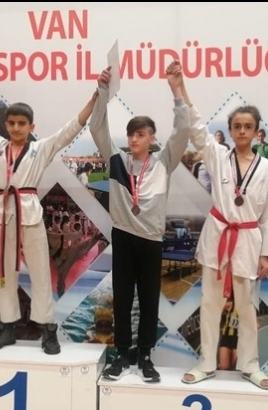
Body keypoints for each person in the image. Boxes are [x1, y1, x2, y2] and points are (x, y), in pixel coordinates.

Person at [0, 81, 97, 356]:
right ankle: (7, 327)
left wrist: (93, 100)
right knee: (5, 273)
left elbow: (70, 129)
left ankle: (48, 329)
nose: (16, 128)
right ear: (6, 125)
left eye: (22, 123)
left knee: (40, 273)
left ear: (31, 126)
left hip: (29, 215)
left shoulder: (41, 148)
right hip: (5, 216)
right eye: (12, 123)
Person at [90, 61, 190, 383]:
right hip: (123, 236)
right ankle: (121, 355)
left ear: (151, 138)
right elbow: (96, 127)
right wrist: (102, 90)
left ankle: (145, 356)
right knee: (122, 299)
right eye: (131, 134)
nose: (134, 139)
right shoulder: (116, 159)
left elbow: (183, 131)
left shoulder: (164, 162)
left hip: (151, 240)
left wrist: (176, 90)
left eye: (140, 134)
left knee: (148, 302)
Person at [180, 78, 268, 389]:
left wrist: (266, 254)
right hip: (218, 236)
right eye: (237, 126)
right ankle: (206, 363)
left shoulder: (267, 168)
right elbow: (197, 128)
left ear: (256, 131)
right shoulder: (217, 156)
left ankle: (250, 365)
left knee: (247, 307)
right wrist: (179, 88)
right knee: (210, 303)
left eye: (247, 126)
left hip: (247, 240)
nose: (241, 131)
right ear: (230, 130)